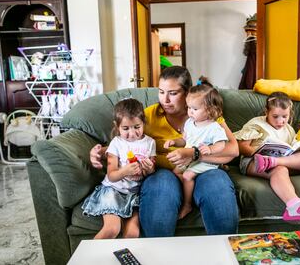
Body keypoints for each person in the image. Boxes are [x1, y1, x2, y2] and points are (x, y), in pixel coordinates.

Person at [90, 66, 239, 236]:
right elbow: (126, 141)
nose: (165, 100)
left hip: (204, 168)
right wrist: (100, 152)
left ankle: (224, 254)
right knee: (161, 185)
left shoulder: (208, 114)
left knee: (217, 185)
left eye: (173, 93)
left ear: (187, 92)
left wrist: (194, 154)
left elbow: (233, 150)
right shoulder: (150, 115)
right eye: (161, 92)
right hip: (165, 172)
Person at [234, 91, 300, 225]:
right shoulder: (256, 123)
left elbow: (291, 149)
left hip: (282, 161)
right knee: (280, 169)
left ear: (290, 113)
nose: (280, 121)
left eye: (285, 116)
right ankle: (295, 206)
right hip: (254, 162)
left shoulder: (289, 129)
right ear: (266, 112)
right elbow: (242, 146)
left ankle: (275, 161)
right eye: (275, 116)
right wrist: (258, 153)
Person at [82, 98, 156, 239]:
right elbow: (111, 175)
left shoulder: (150, 143)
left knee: (133, 233)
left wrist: (149, 169)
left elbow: (150, 172)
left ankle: (124, 260)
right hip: (113, 190)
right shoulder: (116, 143)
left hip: (134, 195)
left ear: (143, 123)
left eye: (137, 127)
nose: (132, 133)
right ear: (117, 126)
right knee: (112, 229)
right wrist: (125, 171)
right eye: (126, 128)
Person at [163, 78, 228, 219]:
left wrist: (210, 149)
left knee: (187, 175)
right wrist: (174, 142)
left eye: (195, 109)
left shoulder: (214, 127)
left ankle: (187, 205)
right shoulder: (190, 123)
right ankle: (189, 191)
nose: (190, 112)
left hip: (205, 161)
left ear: (210, 110)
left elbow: (221, 145)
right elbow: (185, 140)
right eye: (188, 108)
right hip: (190, 159)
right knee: (175, 172)